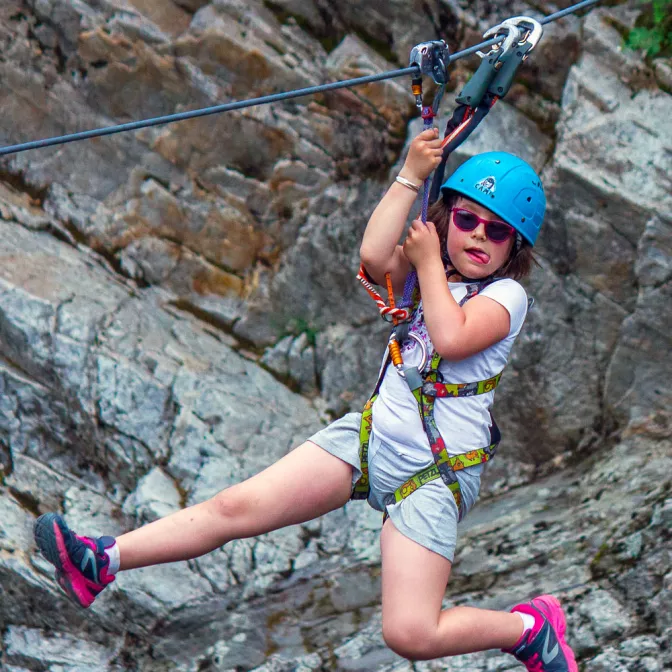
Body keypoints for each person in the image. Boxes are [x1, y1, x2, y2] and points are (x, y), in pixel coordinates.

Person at [34, 127, 577, 672]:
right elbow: (371, 255)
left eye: (497, 231)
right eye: (466, 220)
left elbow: (455, 338)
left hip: (435, 471)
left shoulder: (507, 296)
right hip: (369, 439)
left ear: (514, 248)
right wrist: (411, 174)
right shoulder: (427, 269)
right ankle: (101, 560)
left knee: (410, 633)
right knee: (233, 508)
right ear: (447, 219)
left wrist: (429, 261)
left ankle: (528, 630)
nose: (479, 236)